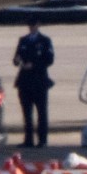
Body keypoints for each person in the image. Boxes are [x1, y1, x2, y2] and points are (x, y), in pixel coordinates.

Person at [14, 22, 56, 150]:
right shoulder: (23, 40)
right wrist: (17, 60)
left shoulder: (45, 41)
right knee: (27, 113)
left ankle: (42, 140)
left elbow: (49, 60)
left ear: (38, 26)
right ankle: (28, 140)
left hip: (39, 80)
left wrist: (34, 65)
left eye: (34, 25)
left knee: (41, 112)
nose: (31, 27)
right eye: (30, 25)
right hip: (25, 81)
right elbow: (17, 57)